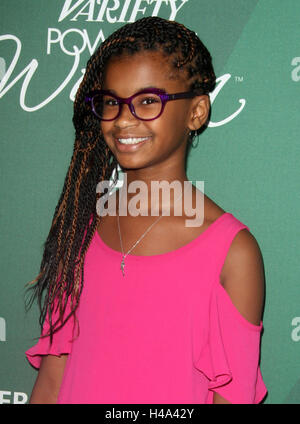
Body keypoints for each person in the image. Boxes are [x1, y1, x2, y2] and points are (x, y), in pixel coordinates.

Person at [25, 16, 267, 404]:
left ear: (197, 112)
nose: (123, 119)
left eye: (147, 101)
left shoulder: (233, 254)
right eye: (112, 102)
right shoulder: (81, 228)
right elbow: (52, 382)